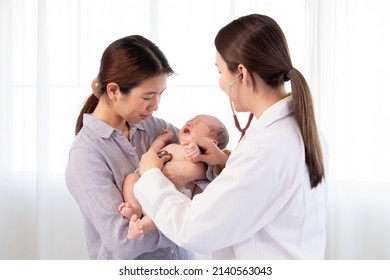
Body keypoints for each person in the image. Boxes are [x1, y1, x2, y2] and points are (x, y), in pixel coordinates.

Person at [133, 14, 328, 259]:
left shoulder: (266, 148)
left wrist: (150, 174)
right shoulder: (301, 131)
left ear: (242, 74)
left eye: (220, 71)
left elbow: (194, 229)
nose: (221, 83)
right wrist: (223, 161)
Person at [65, 35, 206, 260]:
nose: (156, 106)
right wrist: (186, 223)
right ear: (113, 91)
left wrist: (196, 171)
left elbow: (211, 162)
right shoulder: (86, 154)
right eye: (148, 97)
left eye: (160, 95)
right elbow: (123, 242)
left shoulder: (156, 128)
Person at [118, 114, 229, 240]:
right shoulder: (173, 145)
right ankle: (135, 209)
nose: (190, 121)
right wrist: (162, 139)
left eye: (198, 122)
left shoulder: (200, 155)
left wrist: (196, 150)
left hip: (174, 194)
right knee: (130, 179)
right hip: (146, 183)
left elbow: (210, 169)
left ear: (211, 143)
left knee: (160, 214)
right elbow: (152, 152)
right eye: (191, 119)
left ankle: (140, 227)